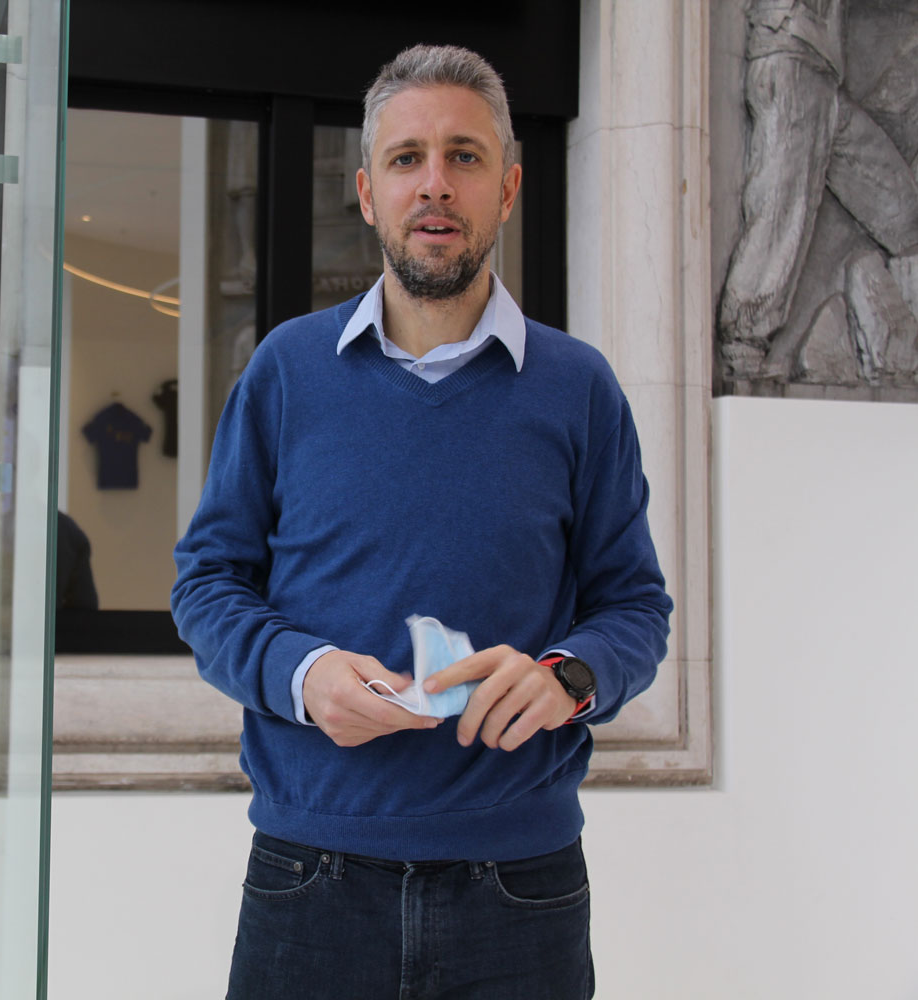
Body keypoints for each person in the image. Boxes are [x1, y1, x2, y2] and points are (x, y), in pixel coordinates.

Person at [170, 43, 671, 999]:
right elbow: (207, 585)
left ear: (510, 186)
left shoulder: (580, 390)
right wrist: (302, 674)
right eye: (407, 159)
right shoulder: (285, 370)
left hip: (522, 892)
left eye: (464, 156)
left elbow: (635, 607)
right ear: (366, 192)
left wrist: (570, 678)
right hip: (307, 883)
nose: (434, 185)